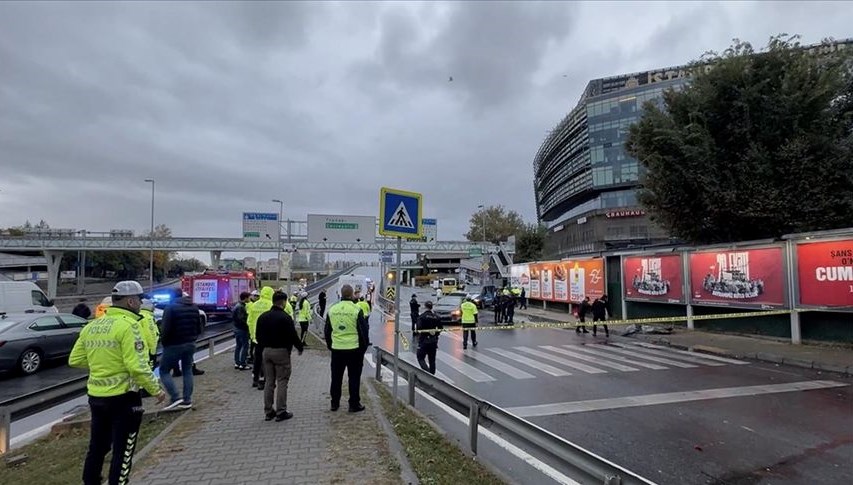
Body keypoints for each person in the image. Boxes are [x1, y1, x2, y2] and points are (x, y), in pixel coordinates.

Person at [69, 280, 165, 485]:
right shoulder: (129, 326)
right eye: (139, 299)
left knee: (97, 447)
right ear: (130, 301)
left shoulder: (92, 326)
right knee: (124, 451)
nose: (141, 303)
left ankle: (90, 481)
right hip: (124, 398)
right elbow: (137, 366)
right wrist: (156, 390)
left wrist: (101, 364)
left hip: (96, 397)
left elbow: (74, 360)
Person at [256, 291, 304, 421]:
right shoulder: (285, 318)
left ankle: (268, 411)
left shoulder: (263, 317)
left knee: (269, 382)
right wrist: (300, 347)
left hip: (266, 352)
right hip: (281, 353)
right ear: (283, 302)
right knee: (282, 381)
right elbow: (293, 335)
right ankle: (281, 411)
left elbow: (257, 336)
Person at [324, 284, 370, 412]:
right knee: (354, 377)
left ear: (341, 294)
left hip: (337, 349)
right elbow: (363, 332)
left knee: (336, 377)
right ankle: (354, 404)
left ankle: (334, 403)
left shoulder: (332, 310)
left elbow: (327, 331)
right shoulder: (356, 310)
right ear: (351, 295)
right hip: (354, 349)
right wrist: (363, 348)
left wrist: (330, 346)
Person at [159, 290, 203, 410]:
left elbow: (165, 328)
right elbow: (199, 326)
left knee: (164, 370)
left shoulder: (170, 308)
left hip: (173, 344)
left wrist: (164, 341)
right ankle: (187, 399)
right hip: (190, 343)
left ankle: (175, 397)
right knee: (187, 370)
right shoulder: (194, 307)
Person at [248, 286, 274, 390]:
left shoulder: (254, 305)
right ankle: (263, 379)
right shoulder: (271, 305)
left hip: (255, 336)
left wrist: (252, 335)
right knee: (267, 360)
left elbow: (249, 321)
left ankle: (255, 377)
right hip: (268, 338)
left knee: (257, 358)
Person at [415, 301, 442, 374]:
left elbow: (418, 328)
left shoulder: (421, 317)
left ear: (425, 306)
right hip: (433, 341)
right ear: (432, 307)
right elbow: (440, 328)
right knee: (432, 360)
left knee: (420, 357)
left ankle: (427, 373)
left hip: (423, 340)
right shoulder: (436, 317)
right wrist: (436, 334)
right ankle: (432, 376)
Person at [139, 298, 160, 369]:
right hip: (148, 351)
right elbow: (150, 335)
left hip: (140, 350)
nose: (154, 307)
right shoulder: (147, 317)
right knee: (150, 371)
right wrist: (152, 352)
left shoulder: (138, 315)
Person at [232, 291, 251, 370]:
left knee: (238, 346)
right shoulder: (241, 307)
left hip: (237, 328)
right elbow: (242, 319)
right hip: (242, 329)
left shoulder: (237, 305)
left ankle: (237, 362)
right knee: (245, 345)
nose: (249, 299)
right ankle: (242, 363)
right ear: (245, 298)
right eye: (249, 297)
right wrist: (248, 324)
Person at [247, 290, 260, 365]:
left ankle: (252, 356)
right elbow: (248, 317)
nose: (256, 297)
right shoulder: (250, 304)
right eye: (255, 296)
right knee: (252, 344)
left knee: (254, 344)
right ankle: (251, 357)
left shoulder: (256, 304)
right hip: (251, 328)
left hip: (256, 327)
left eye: (257, 296)